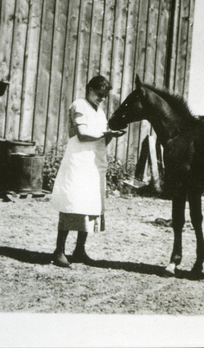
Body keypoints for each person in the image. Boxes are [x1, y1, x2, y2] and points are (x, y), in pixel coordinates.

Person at [50, 76, 125, 268]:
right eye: (99, 94)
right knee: (72, 203)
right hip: (78, 159)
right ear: (89, 88)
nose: (102, 98)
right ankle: (59, 251)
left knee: (90, 205)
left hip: (93, 162)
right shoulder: (79, 105)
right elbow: (82, 135)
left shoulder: (99, 112)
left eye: (105, 96)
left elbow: (101, 140)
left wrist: (111, 136)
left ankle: (79, 249)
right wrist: (107, 134)